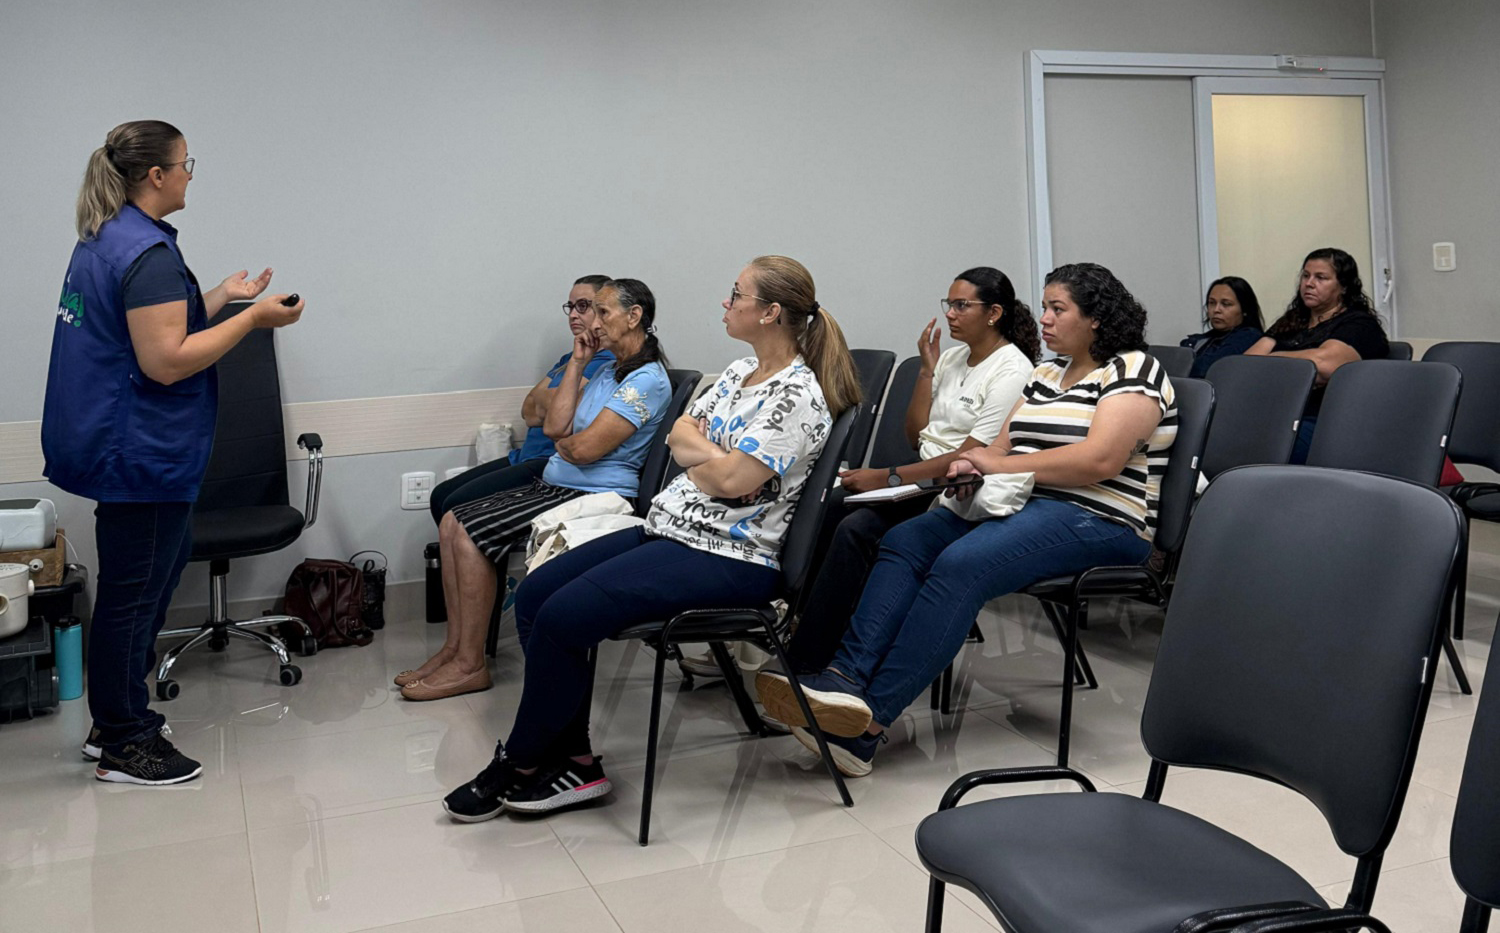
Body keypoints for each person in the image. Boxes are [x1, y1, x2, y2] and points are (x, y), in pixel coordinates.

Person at [440, 255, 861, 822]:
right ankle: (573, 759)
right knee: (538, 594)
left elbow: (735, 480)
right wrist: (711, 458)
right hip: (671, 530)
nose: (725, 302)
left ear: (770, 312)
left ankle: (520, 762)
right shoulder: (737, 374)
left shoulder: (798, 396)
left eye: (735, 295)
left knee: (565, 618)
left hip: (732, 555)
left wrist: (710, 461)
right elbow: (683, 438)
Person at [757, 263, 1177, 778]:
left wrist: (997, 464)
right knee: (908, 539)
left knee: (960, 564)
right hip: (1024, 503)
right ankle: (844, 680)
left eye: (1057, 308)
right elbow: (1001, 442)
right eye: (1044, 306)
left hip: (1101, 519)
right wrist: (970, 463)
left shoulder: (1133, 369)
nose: (1042, 317)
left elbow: (1101, 460)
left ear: (1096, 319)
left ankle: (866, 728)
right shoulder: (1048, 372)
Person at [41, 121, 305, 785]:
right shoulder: (148, 253)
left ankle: (116, 726)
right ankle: (127, 739)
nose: (191, 173)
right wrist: (250, 320)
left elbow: (147, 328)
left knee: (136, 592)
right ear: (155, 176)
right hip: (142, 455)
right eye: (187, 163)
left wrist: (216, 297)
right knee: (135, 600)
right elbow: (164, 363)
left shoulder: (108, 238)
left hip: (119, 445)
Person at [396, 279, 672, 701]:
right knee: (452, 520)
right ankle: (454, 650)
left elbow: (582, 449)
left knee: (470, 533)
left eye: (603, 312)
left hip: (594, 493)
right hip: (559, 481)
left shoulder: (647, 380)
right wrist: (578, 364)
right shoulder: (606, 370)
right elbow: (553, 427)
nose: (592, 323)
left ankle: (471, 666)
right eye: (589, 311)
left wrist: (568, 444)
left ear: (634, 317)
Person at [783, 267, 1040, 674]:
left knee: (857, 530)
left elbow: (972, 455)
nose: (951, 314)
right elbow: (917, 433)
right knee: (827, 506)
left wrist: (887, 477)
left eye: (961, 306)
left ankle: (810, 656)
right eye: (949, 305)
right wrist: (926, 370)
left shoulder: (1013, 370)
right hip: (920, 477)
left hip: (957, 488)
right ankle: (797, 625)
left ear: (994, 313)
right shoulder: (954, 358)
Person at [427, 276, 615, 520]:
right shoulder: (569, 359)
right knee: (440, 495)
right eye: (570, 307)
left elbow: (561, 418)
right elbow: (528, 409)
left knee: (454, 505)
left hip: (550, 463)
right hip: (522, 457)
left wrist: (549, 403)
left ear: (604, 311)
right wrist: (555, 401)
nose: (572, 315)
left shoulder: (607, 363)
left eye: (582, 306)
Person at [1245, 248, 1388, 463]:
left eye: (1321, 278)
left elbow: (1321, 367)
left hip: (1327, 423)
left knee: (1253, 441)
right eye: (1305, 276)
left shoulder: (1358, 324)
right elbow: (1245, 365)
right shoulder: (1293, 321)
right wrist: (1289, 362)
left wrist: (1271, 361)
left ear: (1344, 287)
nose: (1309, 284)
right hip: (1281, 414)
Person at [1178, 276, 1264, 379]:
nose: (1216, 310)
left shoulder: (1249, 336)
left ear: (1244, 309)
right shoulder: (1201, 339)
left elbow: (1206, 369)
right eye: (1212, 303)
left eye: (1226, 304)